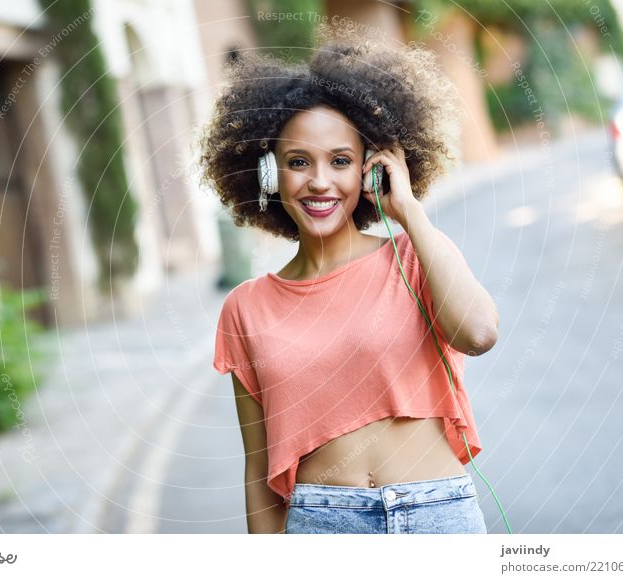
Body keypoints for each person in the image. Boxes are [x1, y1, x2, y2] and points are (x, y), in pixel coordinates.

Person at [198, 28, 499, 534]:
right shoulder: (245, 308)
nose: (320, 181)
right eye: (298, 162)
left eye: (341, 161)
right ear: (268, 176)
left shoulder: (414, 254)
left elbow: (479, 334)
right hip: (323, 525)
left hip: (437, 515)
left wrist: (409, 212)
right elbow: (257, 472)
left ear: (369, 171)